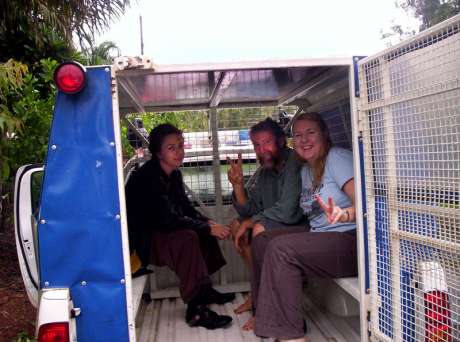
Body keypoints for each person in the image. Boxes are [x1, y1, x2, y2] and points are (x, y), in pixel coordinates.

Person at [252, 113, 358, 342]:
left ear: (324, 135)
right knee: (263, 240)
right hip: (322, 237)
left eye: (311, 132)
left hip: (350, 240)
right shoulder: (305, 170)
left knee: (282, 249)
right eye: (298, 135)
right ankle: (263, 314)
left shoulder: (337, 158)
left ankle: (292, 336)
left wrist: (344, 214)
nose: (304, 140)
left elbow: (365, 203)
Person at [125, 123, 235, 330]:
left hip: (163, 232)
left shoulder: (173, 174)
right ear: (158, 152)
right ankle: (195, 310)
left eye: (181, 145)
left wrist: (206, 222)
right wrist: (205, 227)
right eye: (171, 148)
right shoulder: (146, 178)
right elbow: (166, 219)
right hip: (143, 244)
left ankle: (205, 290)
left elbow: (184, 208)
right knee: (189, 236)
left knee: (201, 228)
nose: (179, 152)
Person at [227, 117, 305, 330]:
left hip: (300, 226)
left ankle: (264, 307)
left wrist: (252, 222)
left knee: (258, 230)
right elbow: (250, 209)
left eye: (267, 143)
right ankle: (258, 292)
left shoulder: (295, 163)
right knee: (237, 226)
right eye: (257, 145)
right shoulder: (265, 171)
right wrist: (238, 186)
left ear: (281, 141)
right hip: (278, 226)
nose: (262, 150)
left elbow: (289, 211)